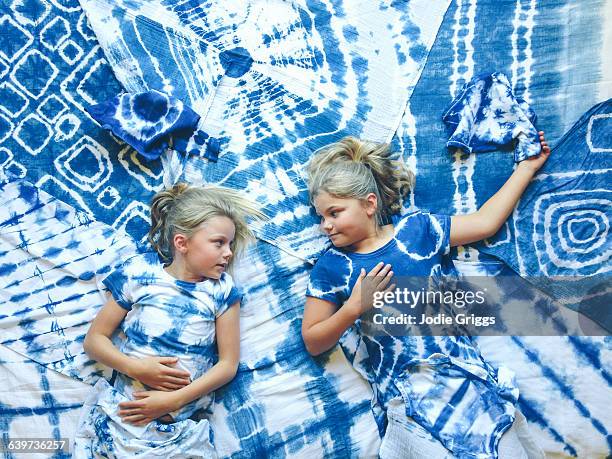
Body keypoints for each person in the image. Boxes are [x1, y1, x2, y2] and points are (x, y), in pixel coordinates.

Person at [302, 135, 550, 458]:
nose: (325, 226)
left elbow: (486, 223)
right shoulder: (331, 267)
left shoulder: (418, 231)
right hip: (408, 400)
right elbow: (313, 340)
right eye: (321, 217)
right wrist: (353, 308)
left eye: (334, 213)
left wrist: (527, 167)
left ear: (369, 204)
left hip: (467, 380)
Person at [74, 183, 264, 458]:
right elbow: (94, 341)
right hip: (121, 420)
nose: (229, 253)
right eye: (219, 243)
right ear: (182, 242)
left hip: (179, 432)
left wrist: (173, 400)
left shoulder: (221, 290)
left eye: (231, 244)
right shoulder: (140, 273)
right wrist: (137, 369)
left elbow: (227, 365)